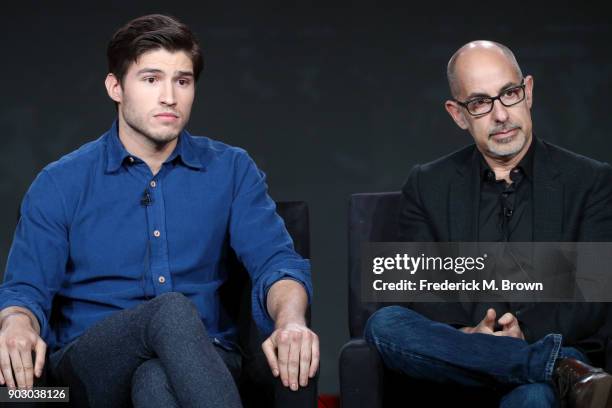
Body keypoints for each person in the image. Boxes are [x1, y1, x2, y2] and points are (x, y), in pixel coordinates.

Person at [0, 14, 318, 407]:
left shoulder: (231, 169)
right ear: (115, 87)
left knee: (155, 382)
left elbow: (276, 262)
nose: (170, 96)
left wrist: (290, 322)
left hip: (206, 357)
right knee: (169, 311)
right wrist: (16, 324)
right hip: (93, 364)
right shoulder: (60, 182)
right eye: (151, 79)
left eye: (182, 81)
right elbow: (25, 289)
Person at [364, 40, 612, 407]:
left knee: (533, 395)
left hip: (552, 347)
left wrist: (524, 334)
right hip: (455, 364)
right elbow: (414, 290)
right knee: (383, 324)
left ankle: (538, 365)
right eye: (480, 103)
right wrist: (471, 337)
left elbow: (591, 293)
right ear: (458, 114)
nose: (500, 115)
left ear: (527, 92)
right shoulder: (427, 184)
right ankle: (550, 366)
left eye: (509, 94)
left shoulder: (590, 180)